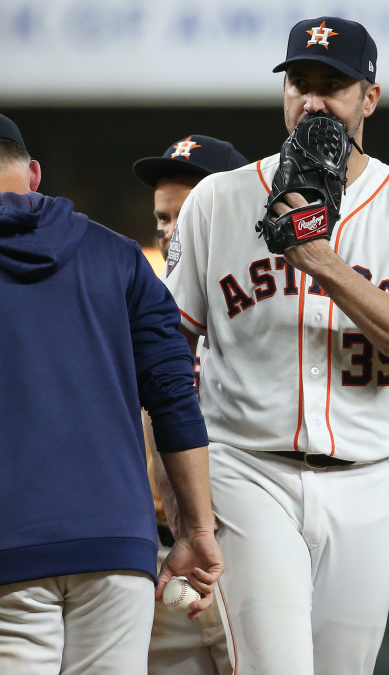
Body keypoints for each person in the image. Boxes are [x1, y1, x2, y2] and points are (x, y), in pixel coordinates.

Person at [0, 108, 223, 673]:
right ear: (33, 175)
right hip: (114, 548)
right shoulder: (119, 258)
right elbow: (173, 395)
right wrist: (196, 527)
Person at [163, 16, 389, 673]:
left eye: (335, 85)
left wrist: (319, 259)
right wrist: (171, 488)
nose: (314, 101)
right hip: (247, 471)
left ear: (369, 98)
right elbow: (164, 352)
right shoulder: (217, 198)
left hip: (363, 480)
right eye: (301, 82)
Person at [132, 133, 245, 675]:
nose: (170, 231)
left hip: (247, 549)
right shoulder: (137, 312)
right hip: (159, 557)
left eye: (186, 214)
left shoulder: (270, 310)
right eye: (162, 218)